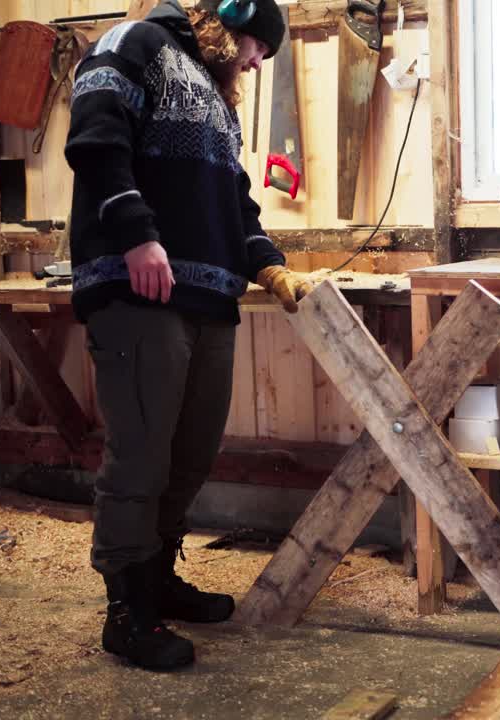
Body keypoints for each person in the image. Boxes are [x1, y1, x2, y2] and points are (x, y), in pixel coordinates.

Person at [65, 0, 312, 671]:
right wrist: (136, 236)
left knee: (191, 454)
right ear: (229, 20)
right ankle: (126, 612)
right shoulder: (134, 44)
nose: (256, 63)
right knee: (141, 454)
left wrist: (270, 267)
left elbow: (235, 202)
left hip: (209, 297)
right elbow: (96, 141)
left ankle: (158, 579)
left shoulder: (215, 100)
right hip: (139, 288)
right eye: (257, 47)